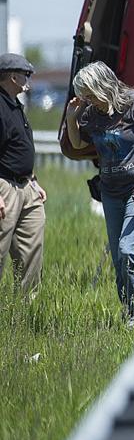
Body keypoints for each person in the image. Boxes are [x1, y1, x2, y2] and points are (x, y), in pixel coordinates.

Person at [65, 61, 134, 324]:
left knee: (128, 248)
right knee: (118, 258)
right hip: (111, 193)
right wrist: (71, 117)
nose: (88, 100)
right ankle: (128, 312)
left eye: (90, 94)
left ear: (103, 86)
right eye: (84, 96)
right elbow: (78, 143)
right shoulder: (91, 113)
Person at [0, 53, 46, 294]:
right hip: (4, 188)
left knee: (31, 249)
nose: (28, 78)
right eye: (25, 74)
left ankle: (27, 310)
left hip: (26, 186)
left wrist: (33, 181)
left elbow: (20, 147)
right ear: (12, 76)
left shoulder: (15, 104)